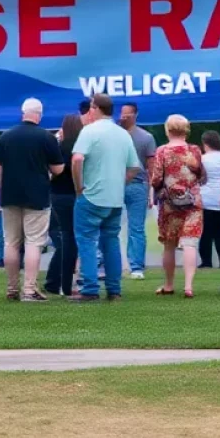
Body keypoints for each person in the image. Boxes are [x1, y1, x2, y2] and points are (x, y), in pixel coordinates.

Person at [69, 93, 140, 302]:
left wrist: (78, 186)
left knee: (87, 241)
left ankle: (90, 288)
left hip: (91, 195)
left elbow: (77, 159)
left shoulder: (89, 131)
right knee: (111, 241)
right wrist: (121, 181)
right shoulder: (123, 134)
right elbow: (134, 166)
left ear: (95, 108)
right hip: (115, 197)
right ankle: (114, 289)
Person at [0, 97, 64, 301]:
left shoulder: (7, 136)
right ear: (39, 114)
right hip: (37, 195)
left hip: (10, 194)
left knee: (11, 243)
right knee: (34, 242)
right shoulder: (46, 137)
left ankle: (12, 288)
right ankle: (30, 289)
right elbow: (57, 168)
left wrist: (0, 185)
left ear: (22, 112)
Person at [150, 115, 205, 298]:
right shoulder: (194, 150)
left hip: (170, 203)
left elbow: (156, 178)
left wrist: (157, 190)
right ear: (186, 129)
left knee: (169, 244)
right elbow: (201, 175)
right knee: (190, 243)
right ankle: (188, 286)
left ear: (168, 129)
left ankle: (168, 284)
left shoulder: (162, 151)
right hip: (193, 202)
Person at [45, 113, 82, 297]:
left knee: (64, 239)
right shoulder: (80, 148)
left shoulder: (58, 147)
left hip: (57, 194)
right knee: (71, 240)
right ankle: (65, 284)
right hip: (73, 194)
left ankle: (54, 280)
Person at [120, 102, 156, 280]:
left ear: (135, 115)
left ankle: (135, 266)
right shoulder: (146, 137)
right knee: (133, 228)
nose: (123, 117)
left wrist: (151, 192)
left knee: (135, 228)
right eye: (122, 114)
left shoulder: (144, 137)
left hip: (134, 184)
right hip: (124, 185)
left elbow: (152, 168)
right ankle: (134, 267)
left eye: (127, 114)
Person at [198, 131, 220, 269]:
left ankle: (206, 262)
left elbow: (201, 178)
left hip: (206, 198)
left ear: (205, 143)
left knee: (206, 233)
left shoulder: (203, 159)